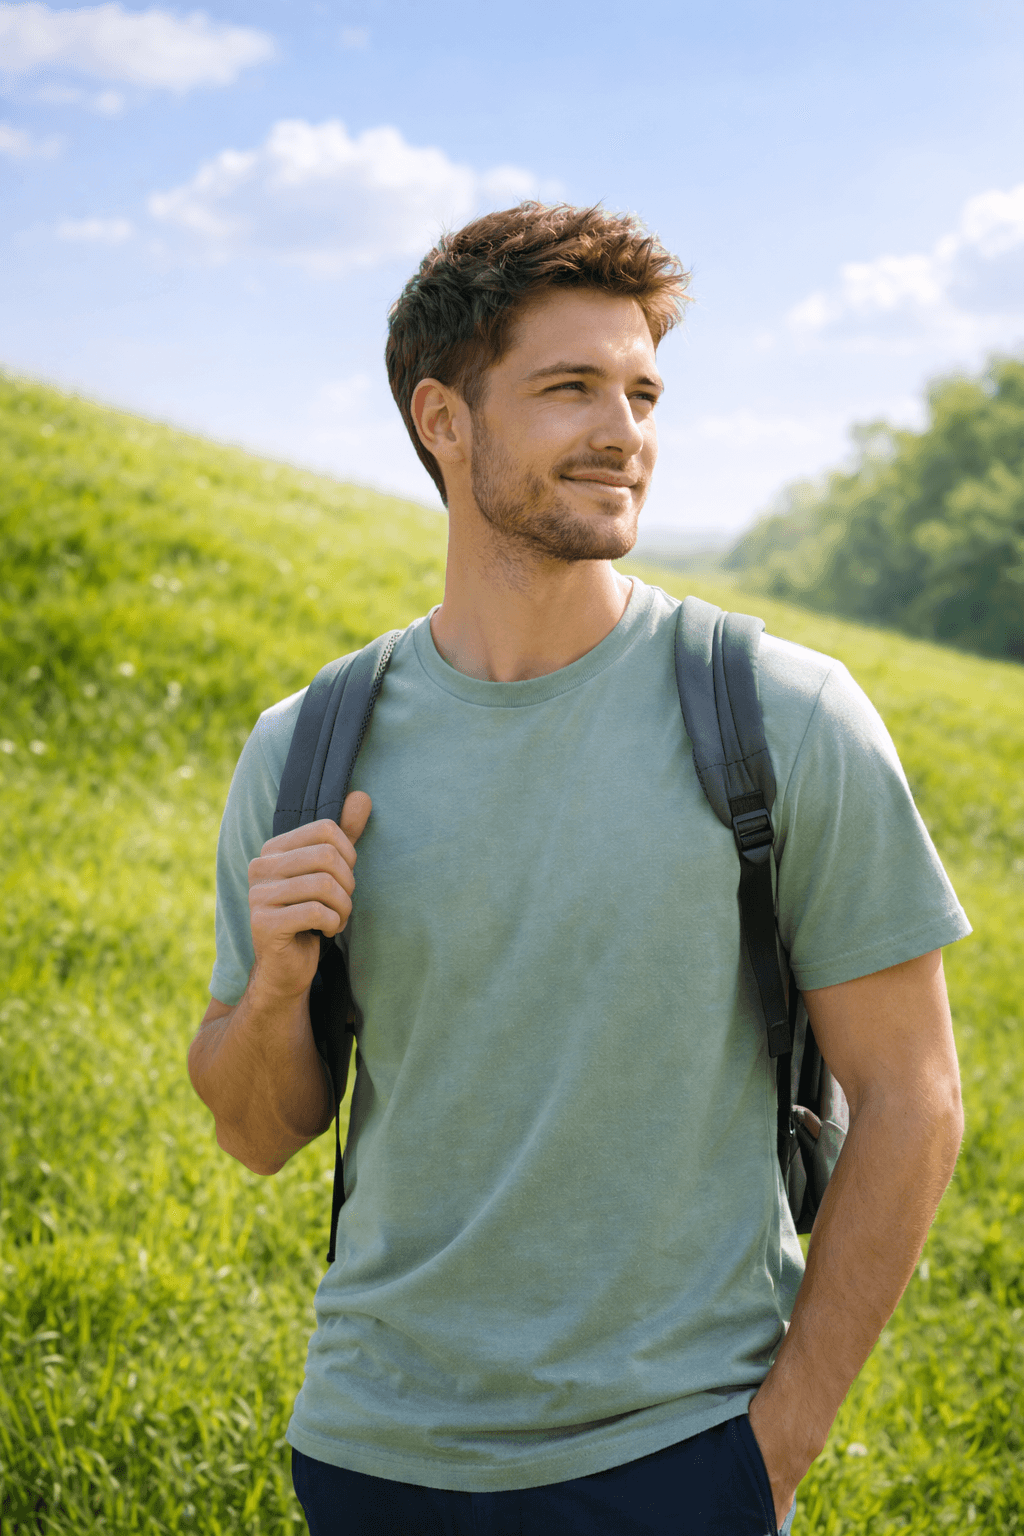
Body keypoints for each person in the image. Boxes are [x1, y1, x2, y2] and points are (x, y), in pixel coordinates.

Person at [188, 203, 970, 1535]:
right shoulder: (309, 745)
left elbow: (912, 1097)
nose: (626, 430)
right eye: (571, 388)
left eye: (643, 391)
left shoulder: (780, 715)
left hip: (676, 1457)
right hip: (373, 1456)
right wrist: (274, 988)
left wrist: (774, 1447)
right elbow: (260, 1134)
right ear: (444, 419)